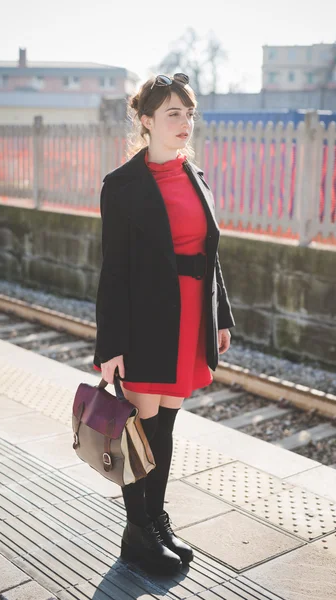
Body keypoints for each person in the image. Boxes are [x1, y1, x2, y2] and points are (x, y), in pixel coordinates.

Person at [93, 72, 235, 575]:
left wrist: (219, 316)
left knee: (167, 425)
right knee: (140, 430)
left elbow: (210, 254)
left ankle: (155, 519)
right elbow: (113, 271)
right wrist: (109, 346)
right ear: (146, 121)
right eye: (174, 113)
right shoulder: (123, 186)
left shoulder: (195, 176)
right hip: (146, 323)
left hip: (191, 320)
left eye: (189, 113)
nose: (185, 123)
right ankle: (137, 533)